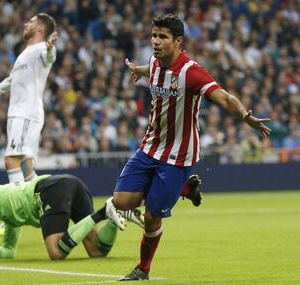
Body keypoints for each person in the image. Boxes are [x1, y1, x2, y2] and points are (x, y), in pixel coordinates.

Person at [110, 14, 271, 281]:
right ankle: (185, 188)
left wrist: (245, 116)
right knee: (120, 201)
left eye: (162, 37)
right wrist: (138, 69)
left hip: (177, 156)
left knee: (151, 216)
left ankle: (143, 269)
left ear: (178, 41)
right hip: (150, 147)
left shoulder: (191, 72)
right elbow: (150, 68)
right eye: (154, 35)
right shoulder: (154, 62)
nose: (155, 41)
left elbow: (224, 97)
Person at [0, 13, 57, 236]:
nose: (25, 24)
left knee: (11, 160)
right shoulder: (24, 54)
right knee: (27, 167)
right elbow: (10, 82)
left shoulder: (41, 49)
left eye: (31, 22)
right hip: (25, 114)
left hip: (25, 113)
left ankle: (15, 214)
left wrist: (50, 49)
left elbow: (49, 56)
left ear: (40, 28)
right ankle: (47, 207)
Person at [0, 174, 144, 261]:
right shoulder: (8, 211)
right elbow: (8, 251)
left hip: (50, 190)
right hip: (71, 184)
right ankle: (113, 214)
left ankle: (103, 212)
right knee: (97, 251)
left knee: (56, 252)